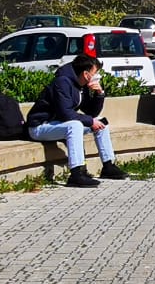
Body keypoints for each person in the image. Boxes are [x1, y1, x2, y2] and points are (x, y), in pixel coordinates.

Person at [26, 54, 131, 187]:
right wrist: (90, 121)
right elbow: (65, 114)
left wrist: (99, 95)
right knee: (75, 126)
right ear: (86, 74)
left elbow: (91, 113)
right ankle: (76, 173)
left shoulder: (81, 85)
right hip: (40, 127)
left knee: (101, 122)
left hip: (58, 124)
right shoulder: (62, 82)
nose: (97, 76)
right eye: (95, 73)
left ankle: (108, 166)